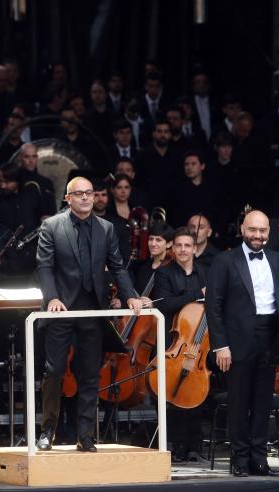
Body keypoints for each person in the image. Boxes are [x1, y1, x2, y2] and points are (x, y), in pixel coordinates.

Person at [35, 176, 143, 453]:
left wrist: (130, 293)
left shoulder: (106, 228)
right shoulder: (51, 226)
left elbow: (118, 267)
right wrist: (53, 298)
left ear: (95, 197)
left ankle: (85, 435)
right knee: (54, 370)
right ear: (68, 198)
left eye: (89, 193)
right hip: (61, 308)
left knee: (90, 375)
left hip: (93, 308)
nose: (85, 198)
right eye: (79, 194)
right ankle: (47, 430)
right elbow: (44, 267)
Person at [206, 210, 279, 477]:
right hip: (237, 340)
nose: (258, 236)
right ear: (243, 229)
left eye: (263, 231)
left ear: (270, 232)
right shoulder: (225, 260)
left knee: (263, 402)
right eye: (253, 230)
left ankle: (259, 458)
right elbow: (213, 306)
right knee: (239, 402)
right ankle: (239, 460)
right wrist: (220, 345)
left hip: (270, 336)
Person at [152, 227, 208, 461]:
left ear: (194, 248)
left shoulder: (206, 273)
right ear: (172, 249)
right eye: (179, 246)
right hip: (173, 342)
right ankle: (174, 444)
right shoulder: (164, 274)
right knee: (168, 395)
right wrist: (197, 294)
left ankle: (194, 446)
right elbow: (165, 305)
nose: (183, 249)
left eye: (187, 245)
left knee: (198, 390)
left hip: (200, 342)